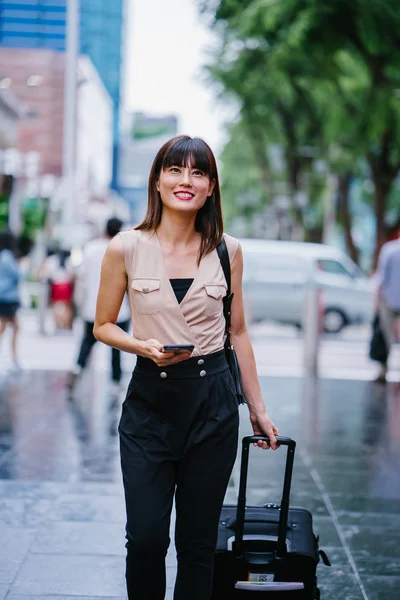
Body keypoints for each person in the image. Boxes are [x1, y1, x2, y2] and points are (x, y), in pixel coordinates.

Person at [93, 135, 279, 600]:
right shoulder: (126, 247)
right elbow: (101, 325)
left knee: (198, 544)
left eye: (198, 173)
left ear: (211, 187)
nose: (185, 180)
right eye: (175, 170)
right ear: (157, 181)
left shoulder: (227, 250)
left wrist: (256, 408)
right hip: (149, 408)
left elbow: (238, 332)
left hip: (212, 405)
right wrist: (142, 346)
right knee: (147, 540)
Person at [67, 218, 130, 391]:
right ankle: (116, 381)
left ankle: (77, 369)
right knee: (117, 346)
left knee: (87, 342)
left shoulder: (91, 248)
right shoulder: (123, 249)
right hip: (120, 309)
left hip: (92, 307)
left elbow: (80, 274)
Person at [374, 221, 400, 382]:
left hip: (389, 300)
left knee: (386, 335)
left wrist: (376, 303)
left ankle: (384, 370)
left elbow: (380, 279)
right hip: (391, 299)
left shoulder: (389, 250)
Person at [0, 231, 23, 369]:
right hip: (7, 298)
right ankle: (14, 357)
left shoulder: (3, 256)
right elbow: (18, 274)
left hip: (4, 297)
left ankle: (14, 357)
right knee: (12, 327)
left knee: (6, 327)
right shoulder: (7, 257)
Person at [40, 248, 75, 331]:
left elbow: (47, 274)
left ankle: (57, 323)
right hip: (66, 285)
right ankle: (65, 324)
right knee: (67, 306)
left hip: (55, 285)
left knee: (54, 306)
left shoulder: (52, 260)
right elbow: (72, 275)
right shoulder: (69, 261)